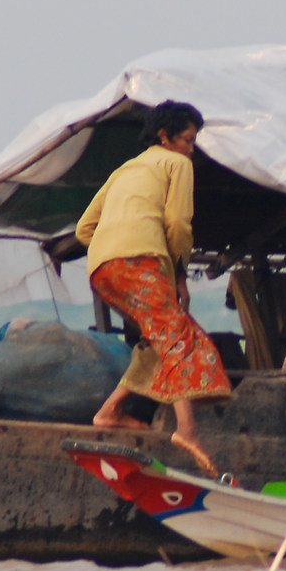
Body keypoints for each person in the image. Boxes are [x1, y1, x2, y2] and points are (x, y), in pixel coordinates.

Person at [77, 101, 232, 475]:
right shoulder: (177, 164)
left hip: (102, 269)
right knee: (178, 338)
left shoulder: (124, 170)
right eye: (188, 140)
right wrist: (178, 274)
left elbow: (84, 230)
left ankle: (110, 411)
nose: (191, 149)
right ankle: (187, 431)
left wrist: (114, 248)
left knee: (159, 339)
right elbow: (178, 223)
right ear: (165, 136)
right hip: (139, 263)